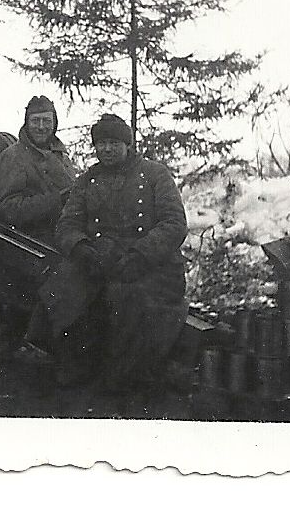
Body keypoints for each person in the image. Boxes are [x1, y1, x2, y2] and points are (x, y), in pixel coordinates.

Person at [41, 113, 188, 409]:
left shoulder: (154, 174)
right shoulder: (87, 180)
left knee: (128, 298)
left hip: (151, 264)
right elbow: (67, 224)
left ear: (127, 144)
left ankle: (123, 378)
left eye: (114, 143)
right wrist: (81, 248)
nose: (107, 149)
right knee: (62, 287)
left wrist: (140, 255)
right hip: (99, 259)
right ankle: (75, 366)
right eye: (102, 143)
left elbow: (174, 223)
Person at [0, 95, 78, 244]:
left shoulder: (62, 157)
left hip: (64, 235)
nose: (41, 127)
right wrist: (55, 201)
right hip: (29, 243)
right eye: (35, 121)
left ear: (54, 124)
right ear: (27, 123)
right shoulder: (13, 156)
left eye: (47, 121)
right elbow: (4, 210)